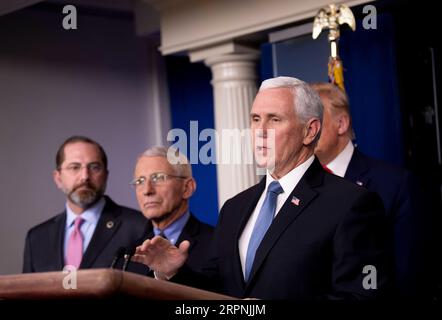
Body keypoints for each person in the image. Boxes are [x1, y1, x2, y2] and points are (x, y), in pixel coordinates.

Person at [132, 76, 390, 300]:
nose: (260, 131)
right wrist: (175, 273)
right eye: (255, 119)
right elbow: (218, 293)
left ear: (310, 131)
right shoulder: (234, 208)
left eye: (274, 119)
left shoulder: (350, 203)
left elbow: (362, 297)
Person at [311, 82, 433, 299]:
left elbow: (409, 276)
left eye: (315, 121)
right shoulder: (302, 188)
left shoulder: (396, 184)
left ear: (341, 124)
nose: (307, 131)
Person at [23, 136, 149, 272]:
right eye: (74, 167)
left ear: (106, 175)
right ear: (58, 178)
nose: (85, 176)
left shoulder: (138, 227)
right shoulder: (37, 238)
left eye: (94, 167)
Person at [130, 146, 214, 273]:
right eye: (140, 181)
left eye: (158, 178)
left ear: (187, 188)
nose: (147, 190)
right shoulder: (129, 252)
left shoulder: (215, 243)